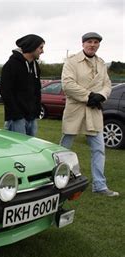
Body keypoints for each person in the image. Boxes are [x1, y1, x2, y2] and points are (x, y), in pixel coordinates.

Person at [60, 32, 118, 197]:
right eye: (89, 42)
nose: (92, 45)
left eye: (96, 42)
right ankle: (59, 181)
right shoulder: (72, 61)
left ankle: (100, 186)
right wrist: (89, 96)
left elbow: (107, 84)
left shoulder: (101, 63)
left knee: (99, 149)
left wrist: (102, 96)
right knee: (64, 149)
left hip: (94, 111)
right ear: (83, 43)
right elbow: (68, 85)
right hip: (76, 109)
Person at [0, 34, 45, 136]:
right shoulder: (11, 65)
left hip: (32, 117)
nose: (42, 51)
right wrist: (17, 115)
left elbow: (37, 90)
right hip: (16, 119)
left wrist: (36, 110)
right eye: (40, 48)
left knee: (31, 149)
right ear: (32, 47)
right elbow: (5, 92)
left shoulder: (35, 66)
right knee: (16, 149)